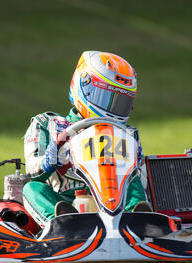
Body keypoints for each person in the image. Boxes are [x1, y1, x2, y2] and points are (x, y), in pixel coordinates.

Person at [22, 51, 151, 226]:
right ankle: (62, 224)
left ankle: (138, 222)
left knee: (133, 178)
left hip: (116, 199)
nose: (113, 107)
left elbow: (143, 179)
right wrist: (47, 162)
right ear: (84, 87)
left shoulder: (127, 133)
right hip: (64, 200)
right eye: (106, 98)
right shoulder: (48, 124)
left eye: (120, 102)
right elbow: (32, 173)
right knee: (32, 188)